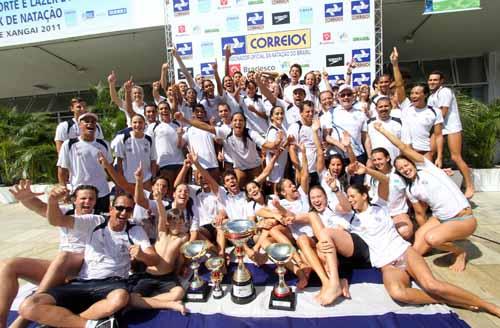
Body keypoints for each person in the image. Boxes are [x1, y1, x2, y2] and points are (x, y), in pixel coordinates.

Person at [346, 174, 500, 318]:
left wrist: (366, 170)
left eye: (352, 196)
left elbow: (385, 181)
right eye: (348, 197)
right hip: (387, 264)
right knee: (398, 293)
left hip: (404, 251)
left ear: (364, 195)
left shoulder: (380, 206)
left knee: (431, 285)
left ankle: (485, 304)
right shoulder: (351, 220)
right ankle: (446, 300)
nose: (350, 200)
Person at [19, 191, 158, 328]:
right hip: (82, 282)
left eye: (128, 210)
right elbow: (57, 220)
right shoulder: (94, 222)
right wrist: (53, 201)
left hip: (112, 284)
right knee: (28, 306)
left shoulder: (135, 231)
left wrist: (142, 256)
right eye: (120, 208)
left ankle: (61, 323)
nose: (123, 213)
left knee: (120, 297)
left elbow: (154, 260)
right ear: (111, 208)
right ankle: (89, 325)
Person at [374, 122, 476, 272]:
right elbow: (420, 213)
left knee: (432, 239)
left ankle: (459, 252)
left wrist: (382, 130)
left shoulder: (427, 168)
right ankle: (438, 239)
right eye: (401, 169)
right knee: (416, 251)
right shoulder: (411, 189)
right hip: (440, 219)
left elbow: (403, 148)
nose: (405, 169)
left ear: (413, 163)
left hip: (463, 218)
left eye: (406, 165)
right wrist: (424, 232)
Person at [0, 183, 98, 328]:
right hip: (58, 269)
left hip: (80, 271)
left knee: (65, 256)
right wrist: (26, 198)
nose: (87, 202)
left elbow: (56, 220)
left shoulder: (96, 220)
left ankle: (22, 319)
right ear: (74, 200)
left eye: (91, 199)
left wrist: (52, 201)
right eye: (83, 198)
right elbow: (40, 208)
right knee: (8, 265)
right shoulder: (65, 211)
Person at [175, 111, 280, 188]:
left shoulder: (251, 133)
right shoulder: (226, 132)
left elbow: (267, 145)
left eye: (241, 120)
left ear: (244, 123)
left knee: (258, 189)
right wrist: (185, 120)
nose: (238, 123)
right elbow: (206, 127)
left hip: (255, 166)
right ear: (231, 123)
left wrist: (277, 142)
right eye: (235, 120)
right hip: (239, 168)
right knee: (238, 187)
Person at [127, 199, 188, 315]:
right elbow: (162, 215)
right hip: (149, 275)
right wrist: (159, 200)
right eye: (173, 222)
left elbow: (180, 258)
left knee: (179, 292)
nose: (177, 225)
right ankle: (169, 304)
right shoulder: (161, 234)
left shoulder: (183, 237)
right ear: (167, 223)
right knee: (131, 297)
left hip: (167, 277)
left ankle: (145, 302)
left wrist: (179, 272)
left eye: (180, 223)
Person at [427, 71, 474, 199]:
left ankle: (469, 186)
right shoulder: (430, 97)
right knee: (429, 153)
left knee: (455, 157)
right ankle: (433, 184)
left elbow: (443, 112)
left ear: (441, 81)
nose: (432, 82)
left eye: (435, 80)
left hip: (452, 128)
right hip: (438, 129)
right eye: (430, 80)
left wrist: (429, 125)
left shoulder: (445, 92)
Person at [57, 112, 112, 214]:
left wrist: (118, 187)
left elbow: (110, 169)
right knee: (82, 224)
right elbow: (62, 169)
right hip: (80, 195)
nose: (90, 124)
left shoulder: (104, 144)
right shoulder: (69, 144)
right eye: (86, 121)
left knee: (102, 224)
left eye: (93, 122)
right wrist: (64, 189)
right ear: (79, 125)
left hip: (102, 193)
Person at [367, 147, 413, 241]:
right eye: (374, 160)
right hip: (379, 213)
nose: (377, 162)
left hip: (398, 213)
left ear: (387, 158)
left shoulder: (399, 173)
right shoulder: (371, 176)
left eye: (380, 159)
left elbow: (410, 196)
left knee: (404, 231)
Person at [147, 100, 184, 197]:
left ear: (170, 110)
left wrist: (180, 135)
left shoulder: (177, 124)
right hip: (163, 165)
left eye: (166, 108)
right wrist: (153, 167)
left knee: (180, 192)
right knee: (167, 193)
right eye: (161, 109)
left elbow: (180, 146)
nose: (164, 111)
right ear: (158, 112)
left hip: (179, 163)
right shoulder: (153, 127)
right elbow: (149, 147)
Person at [287, 100, 321, 185]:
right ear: (301, 113)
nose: (310, 114)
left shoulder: (317, 126)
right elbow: (292, 150)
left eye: (312, 111)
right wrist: (298, 170)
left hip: (316, 171)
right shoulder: (295, 127)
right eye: (307, 112)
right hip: (302, 170)